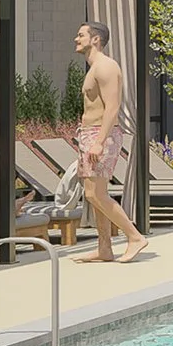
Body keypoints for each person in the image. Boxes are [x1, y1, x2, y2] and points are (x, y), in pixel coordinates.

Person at [72, 20, 149, 263]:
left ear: (96, 39)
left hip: (99, 134)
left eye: (81, 34)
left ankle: (135, 236)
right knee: (91, 193)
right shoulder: (94, 68)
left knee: (97, 193)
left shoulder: (106, 67)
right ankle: (104, 247)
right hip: (90, 134)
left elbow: (112, 107)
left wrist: (99, 142)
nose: (76, 39)